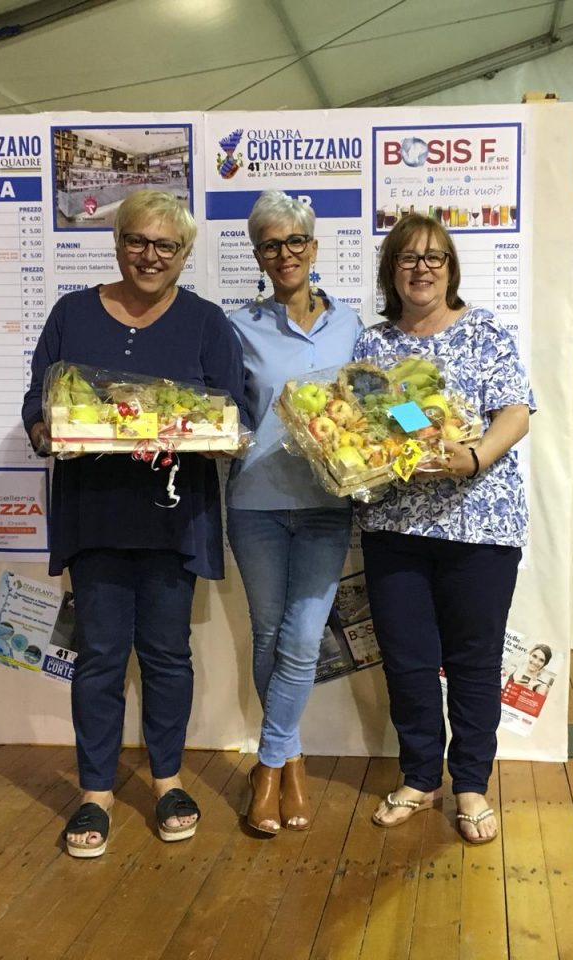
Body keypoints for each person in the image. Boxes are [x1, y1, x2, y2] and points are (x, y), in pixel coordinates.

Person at [21, 189, 247, 859]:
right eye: (137, 241)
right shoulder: (72, 312)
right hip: (95, 513)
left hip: (174, 519)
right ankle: (95, 792)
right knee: (98, 656)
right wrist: (46, 432)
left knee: (167, 654)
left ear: (184, 253)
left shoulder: (205, 321)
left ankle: (168, 781)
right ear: (117, 242)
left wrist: (218, 438)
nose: (150, 256)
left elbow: (230, 410)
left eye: (165, 245)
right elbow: (38, 400)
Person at [359, 213, 533, 845]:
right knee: (408, 662)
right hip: (394, 526)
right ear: (391, 271)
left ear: (450, 268)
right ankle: (418, 777)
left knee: (473, 662)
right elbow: (370, 422)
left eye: (434, 257)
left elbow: (517, 410)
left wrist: (476, 455)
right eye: (407, 258)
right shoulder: (373, 345)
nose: (422, 268)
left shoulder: (485, 331)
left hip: (480, 526)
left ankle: (471, 784)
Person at [225, 191, 361, 835]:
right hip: (255, 502)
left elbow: (372, 405)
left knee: (304, 638)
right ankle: (293, 762)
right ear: (258, 256)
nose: (285, 254)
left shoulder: (352, 325)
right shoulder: (237, 326)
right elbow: (224, 409)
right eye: (271, 245)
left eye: (295, 242)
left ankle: (270, 766)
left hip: (327, 503)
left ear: (313, 246)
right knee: (268, 635)